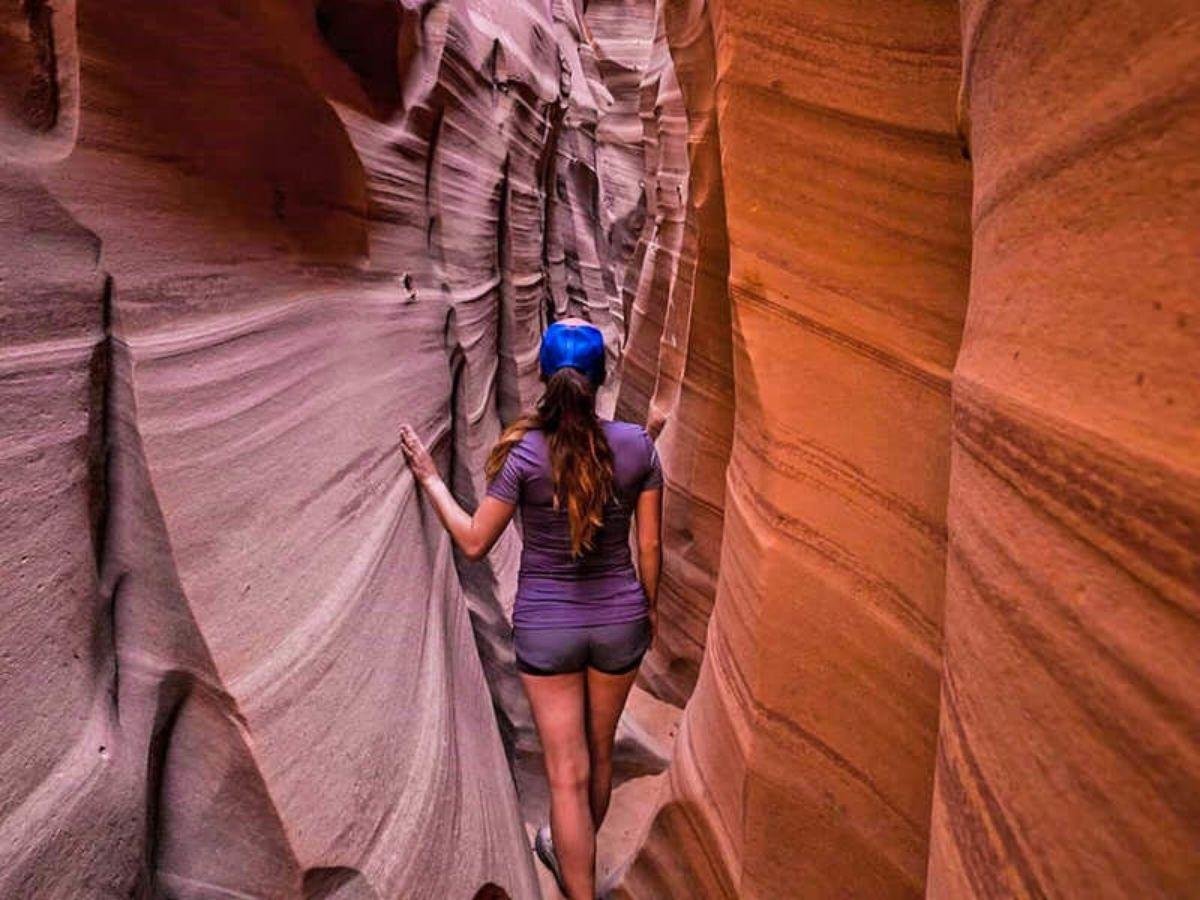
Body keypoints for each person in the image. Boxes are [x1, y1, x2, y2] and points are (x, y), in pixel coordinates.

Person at [399, 318, 663, 899]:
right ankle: (578, 847)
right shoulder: (638, 447)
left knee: (565, 777)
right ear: (601, 378)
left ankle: (574, 876)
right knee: (599, 753)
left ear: (544, 376)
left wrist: (429, 479)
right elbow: (648, 546)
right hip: (619, 623)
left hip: (547, 629)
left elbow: (473, 541)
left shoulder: (524, 454)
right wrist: (649, 610)